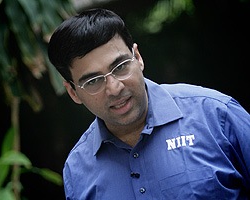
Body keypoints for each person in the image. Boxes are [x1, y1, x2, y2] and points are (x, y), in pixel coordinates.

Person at [47, 8, 250, 199]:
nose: (114, 88)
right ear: (73, 92)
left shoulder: (215, 115)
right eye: (93, 81)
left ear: (138, 58)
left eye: (120, 66)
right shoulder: (77, 169)